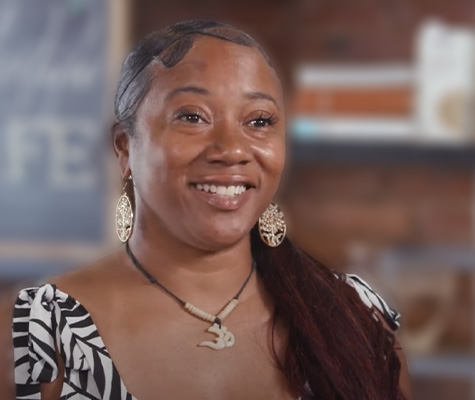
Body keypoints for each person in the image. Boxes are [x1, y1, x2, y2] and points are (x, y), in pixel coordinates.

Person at [6, 21, 410, 400]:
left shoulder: (356, 318)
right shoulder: (37, 331)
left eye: (260, 120)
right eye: (192, 117)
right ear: (125, 149)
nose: (232, 150)